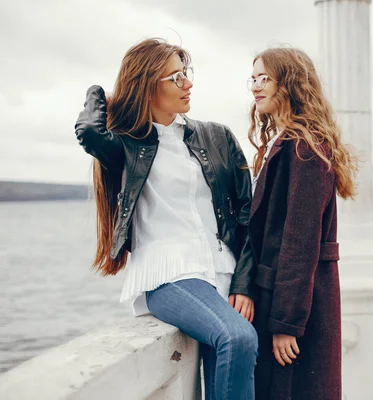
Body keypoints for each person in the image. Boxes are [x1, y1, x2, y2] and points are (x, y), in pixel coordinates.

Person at [74, 38, 257, 400]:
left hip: (222, 271)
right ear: (146, 84)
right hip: (169, 275)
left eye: (185, 74)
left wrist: (244, 283)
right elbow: (91, 132)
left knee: (232, 358)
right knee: (237, 338)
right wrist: (99, 92)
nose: (188, 83)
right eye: (176, 77)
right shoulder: (126, 145)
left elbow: (247, 214)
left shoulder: (216, 136)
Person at [246, 48, 358, 400]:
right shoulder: (287, 142)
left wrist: (285, 324)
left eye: (264, 78)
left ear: (290, 84)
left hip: (296, 309)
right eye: (252, 78)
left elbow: (299, 243)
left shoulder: (306, 148)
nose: (255, 87)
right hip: (285, 298)